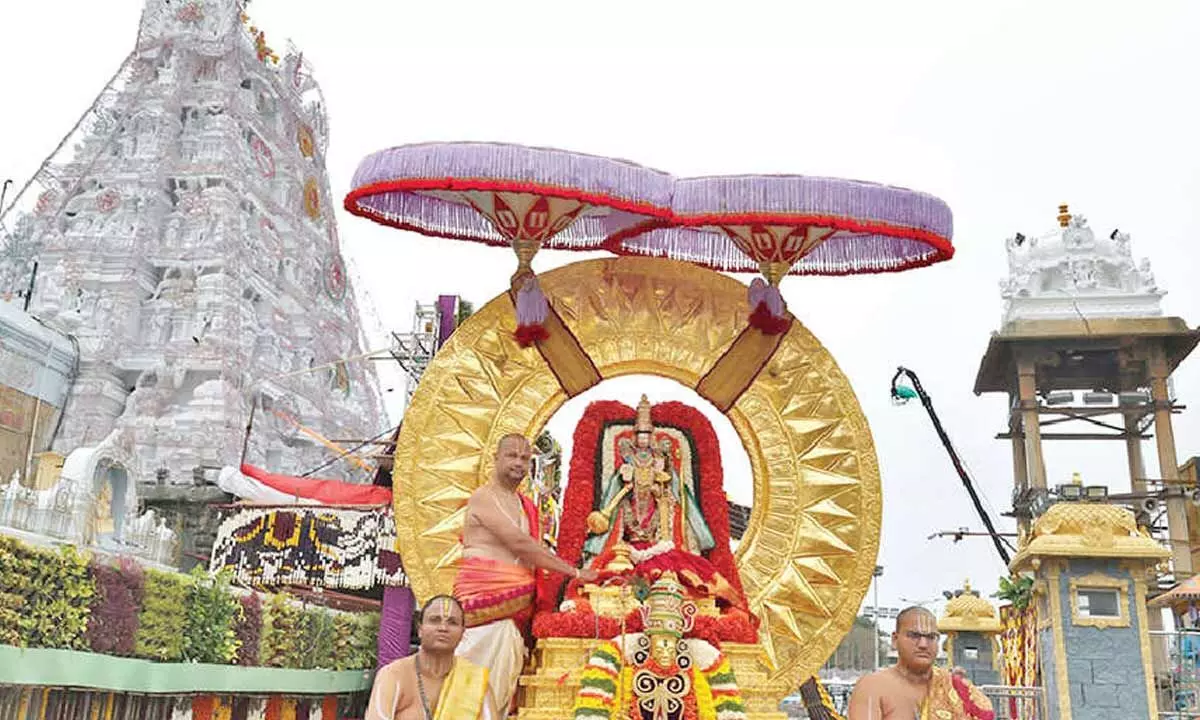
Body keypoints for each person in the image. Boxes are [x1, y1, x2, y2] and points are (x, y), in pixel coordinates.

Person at [454, 434, 598, 716]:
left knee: (500, 691)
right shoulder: (484, 497)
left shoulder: (525, 505)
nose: (518, 463)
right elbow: (519, 544)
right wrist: (575, 571)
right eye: (511, 455)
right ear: (495, 458)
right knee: (469, 688)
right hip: (484, 607)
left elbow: (531, 553)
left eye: (524, 458)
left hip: (513, 615)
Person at [847, 607, 994, 720]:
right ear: (894, 639)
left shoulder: (955, 689)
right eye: (914, 635)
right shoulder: (873, 687)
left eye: (931, 637)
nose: (923, 644)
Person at [366, 595, 494, 719]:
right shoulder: (394, 675)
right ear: (420, 629)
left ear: (462, 633)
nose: (443, 628)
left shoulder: (475, 681)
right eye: (435, 620)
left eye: (452, 622)